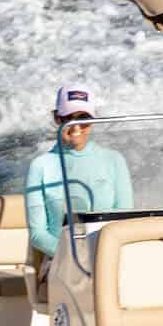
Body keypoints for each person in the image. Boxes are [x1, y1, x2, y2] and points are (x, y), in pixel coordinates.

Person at [23, 84, 132, 286]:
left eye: (83, 119)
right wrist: (75, 258)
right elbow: (38, 234)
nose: (76, 127)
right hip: (60, 262)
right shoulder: (40, 166)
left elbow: (124, 220)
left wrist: (101, 258)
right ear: (57, 118)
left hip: (110, 259)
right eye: (68, 119)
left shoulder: (114, 160)